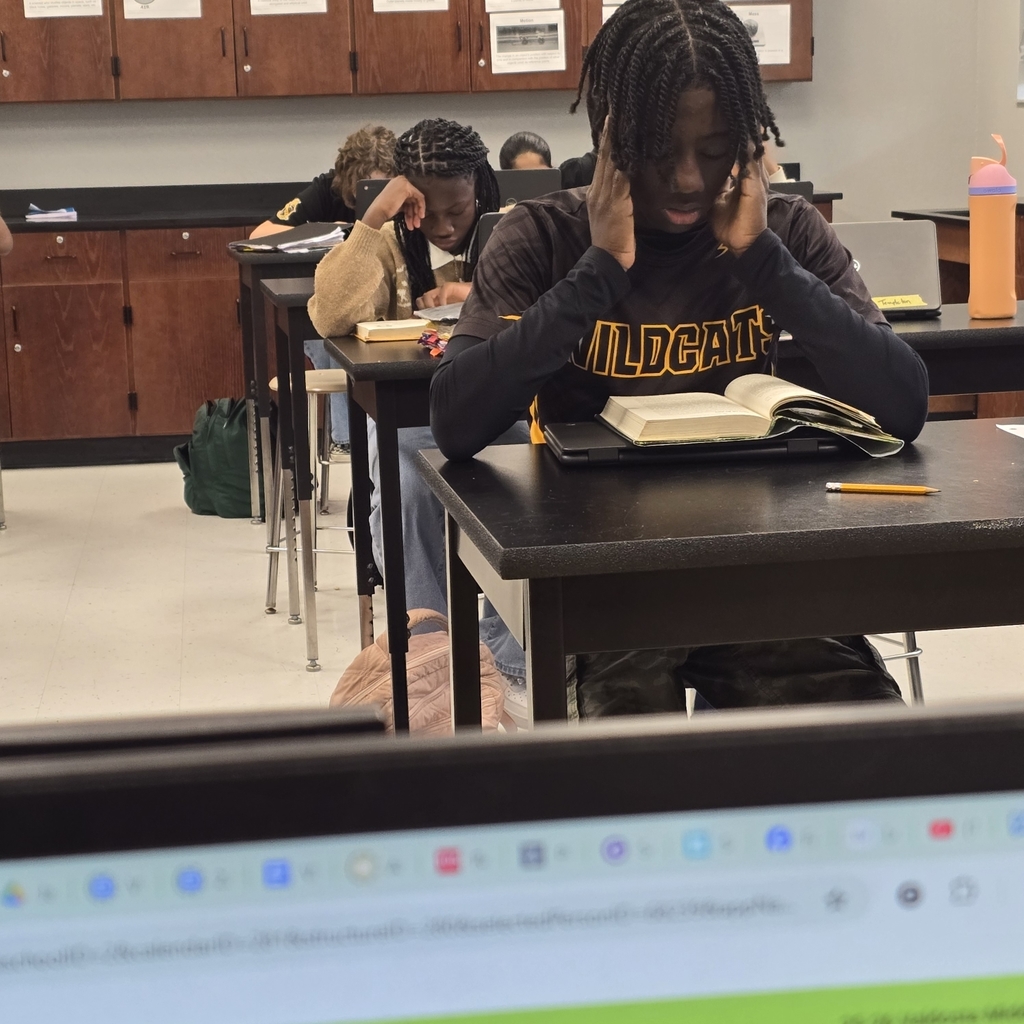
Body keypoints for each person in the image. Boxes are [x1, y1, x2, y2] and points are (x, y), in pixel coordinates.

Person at [430, 0, 930, 719]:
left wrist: (763, 262)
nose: (691, 179)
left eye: (717, 148)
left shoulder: (783, 233)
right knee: (629, 774)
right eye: (661, 151)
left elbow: (905, 404)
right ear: (609, 139)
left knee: (854, 749)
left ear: (752, 145)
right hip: (602, 575)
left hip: (758, 563)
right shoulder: (541, 237)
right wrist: (598, 271)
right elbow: (455, 421)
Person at [309, 119, 527, 688]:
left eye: (457, 209)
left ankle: (506, 660)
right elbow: (329, 315)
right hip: (415, 423)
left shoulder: (513, 232)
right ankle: (433, 655)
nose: (446, 225)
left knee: (541, 494)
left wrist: (476, 295)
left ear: (478, 188)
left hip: (503, 419)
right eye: (428, 212)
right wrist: (371, 219)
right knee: (407, 491)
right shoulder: (386, 242)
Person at [254, 124, 396, 458]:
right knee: (326, 339)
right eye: (366, 190)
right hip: (333, 307)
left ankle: (375, 433)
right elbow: (262, 235)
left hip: (385, 305)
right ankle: (349, 440)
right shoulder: (324, 192)